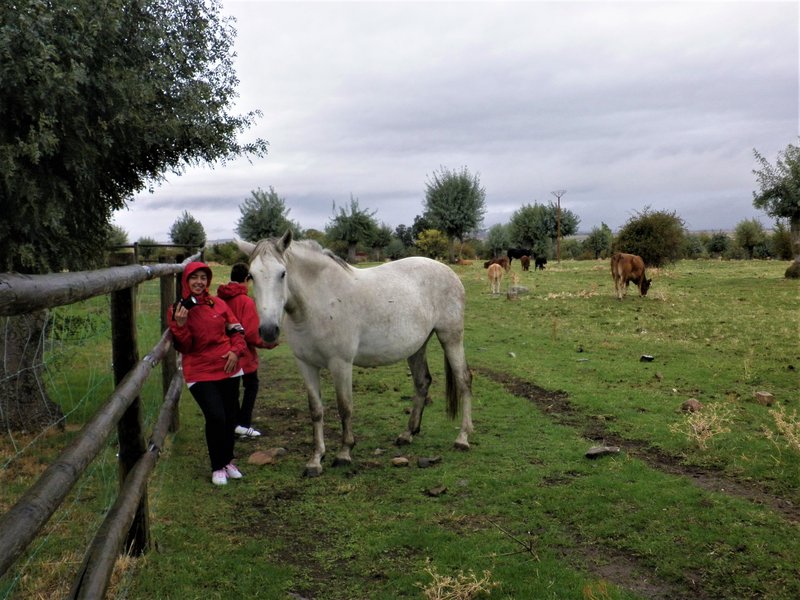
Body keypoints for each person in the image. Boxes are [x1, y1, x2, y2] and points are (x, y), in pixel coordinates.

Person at [169, 261, 248, 486]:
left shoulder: (219, 303)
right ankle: (217, 466)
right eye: (194, 277)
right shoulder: (179, 310)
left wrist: (236, 351)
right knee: (216, 416)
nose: (199, 282)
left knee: (231, 416)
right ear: (186, 280)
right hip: (200, 370)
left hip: (228, 366)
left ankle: (228, 460)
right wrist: (181, 325)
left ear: (208, 281)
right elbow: (184, 347)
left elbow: (238, 329)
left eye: (203, 278)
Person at [217, 262, 278, 439]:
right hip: (243, 354)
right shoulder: (245, 302)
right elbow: (251, 333)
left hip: (225, 353)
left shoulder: (220, 299)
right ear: (247, 279)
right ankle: (244, 424)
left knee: (232, 390)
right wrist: (269, 343)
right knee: (251, 386)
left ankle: (233, 423)